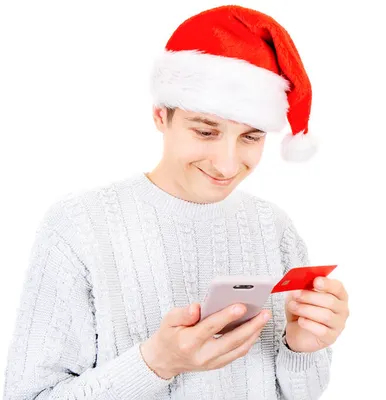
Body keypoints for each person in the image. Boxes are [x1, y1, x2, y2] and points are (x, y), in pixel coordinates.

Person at [2, 5, 349, 399]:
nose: (228, 163)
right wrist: (156, 363)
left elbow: (299, 393)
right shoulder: (80, 226)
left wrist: (301, 348)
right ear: (159, 116)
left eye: (251, 137)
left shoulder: (273, 226)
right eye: (205, 131)